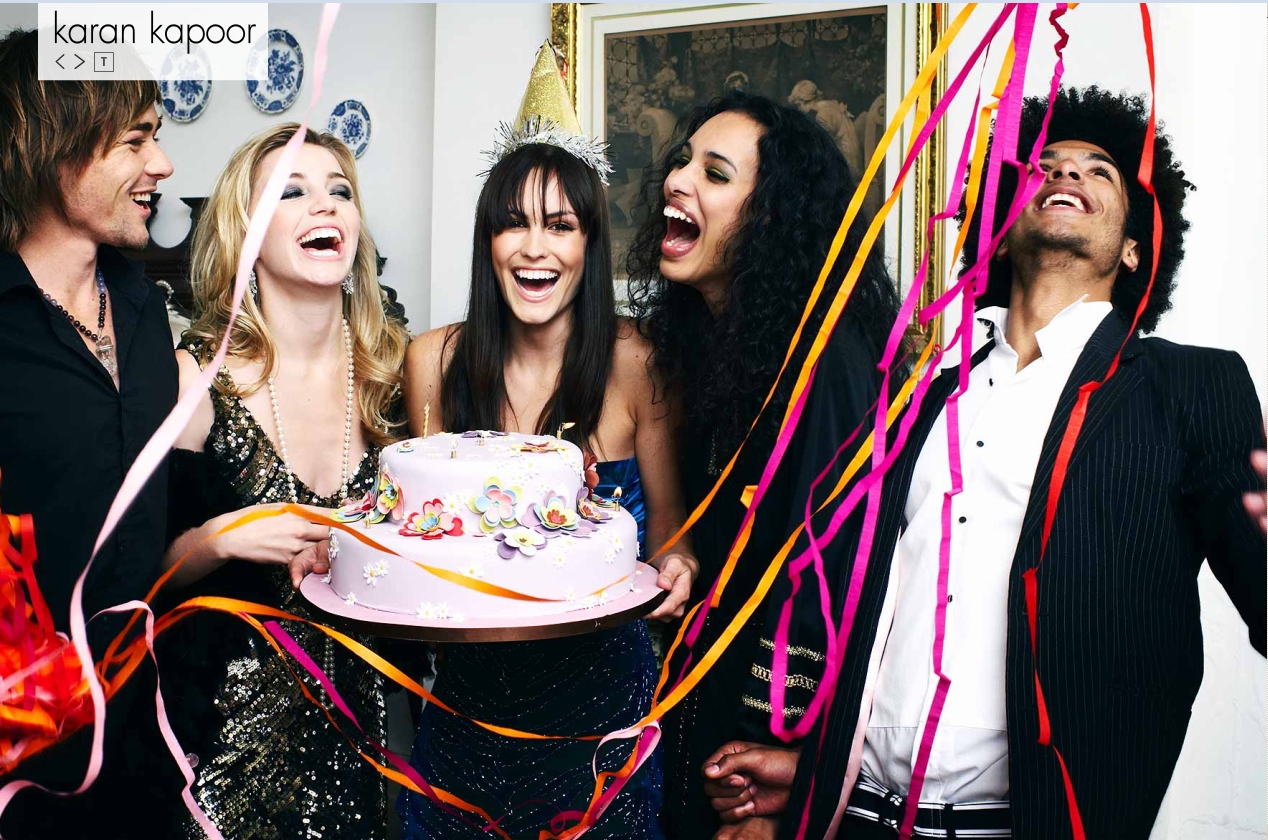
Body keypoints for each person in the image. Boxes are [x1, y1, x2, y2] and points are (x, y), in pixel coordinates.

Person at [706, 87, 1267, 840]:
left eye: (1098, 170)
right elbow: (863, 594)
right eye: (1044, 164)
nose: (1065, 173)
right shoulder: (917, 391)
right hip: (860, 816)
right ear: (1000, 235)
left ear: (1135, 248)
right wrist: (813, 767)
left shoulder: (1192, 387)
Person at [397, 46, 697, 839]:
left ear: (589, 244)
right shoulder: (432, 362)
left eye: (560, 226)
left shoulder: (637, 363)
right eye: (514, 224)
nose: (535, 248)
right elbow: (410, 541)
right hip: (465, 716)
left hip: (601, 725)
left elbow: (674, 538)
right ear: (487, 242)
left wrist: (679, 569)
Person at [623, 91, 904, 838]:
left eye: (714, 174)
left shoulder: (828, 359)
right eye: (682, 161)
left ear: (771, 219)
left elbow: (826, 573)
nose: (677, 180)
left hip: (760, 747)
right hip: (697, 712)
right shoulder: (712, 347)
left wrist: (771, 757)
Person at [162, 123, 409, 838]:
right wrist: (223, 537)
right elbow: (140, 576)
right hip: (221, 761)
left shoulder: (395, 376)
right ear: (245, 231)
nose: (324, 205)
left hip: (364, 755)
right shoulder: (196, 379)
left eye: (340, 191)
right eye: (290, 192)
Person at [0, 28, 182, 839]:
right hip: (25, 774)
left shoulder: (146, 316)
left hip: (148, 753)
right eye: (136, 140)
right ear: (56, 146)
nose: (162, 165)